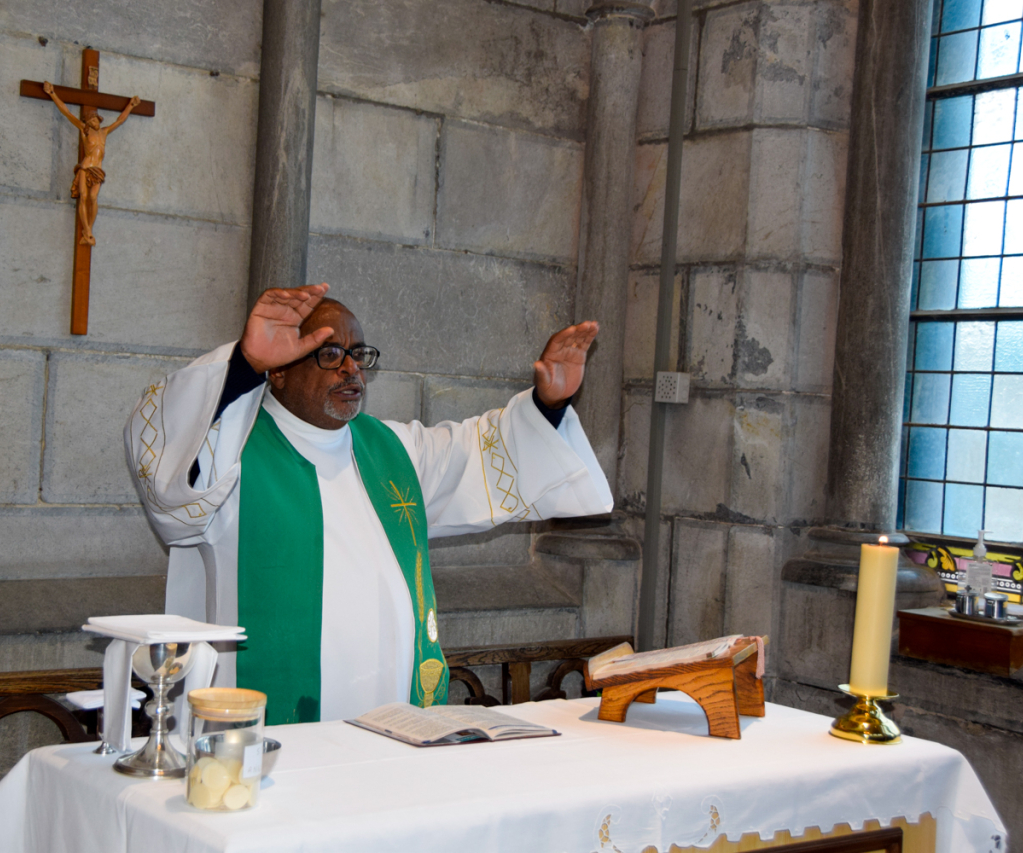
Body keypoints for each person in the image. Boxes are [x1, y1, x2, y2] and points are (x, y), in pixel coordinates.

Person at [124, 283, 613, 724]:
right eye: (329, 353)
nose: (351, 368)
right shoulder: (229, 452)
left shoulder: (393, 451)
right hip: (266, 733)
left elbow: (482, 454)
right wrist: (242, 367)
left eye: (358, 354)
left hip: (391, 720)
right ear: (278, 370)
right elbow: (172, 483)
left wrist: (547, 405)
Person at [41, 81, 140, 246]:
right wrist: (52, 93)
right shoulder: (84, 130)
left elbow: (120, 120)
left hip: (98, 170)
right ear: (88, 122)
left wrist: (131, 105)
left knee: (93, 198)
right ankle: (86, 230)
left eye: (96, 119)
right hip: (85, 168)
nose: (95, 122)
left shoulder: (104, 132)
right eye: (92, 120)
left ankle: (89, 231)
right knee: (84, 197)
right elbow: (66, 112)